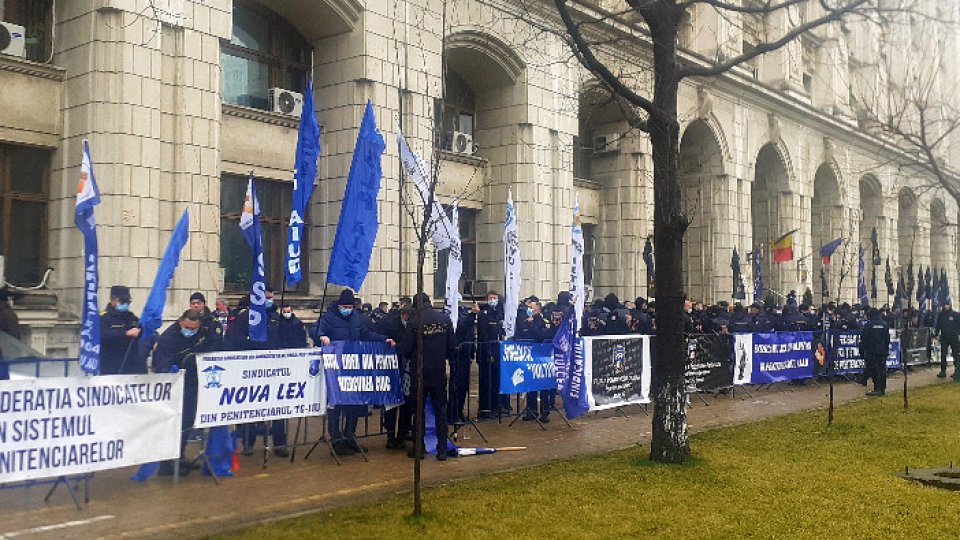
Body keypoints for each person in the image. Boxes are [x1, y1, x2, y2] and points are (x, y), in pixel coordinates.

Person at [311, 289, 395, 456]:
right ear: (339, 305)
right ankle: (336, 439)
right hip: (335, 369)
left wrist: (383, 339)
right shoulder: (329, 317)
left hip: (353, 368)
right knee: (336, 405)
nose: (347, 309)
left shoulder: (356, 317)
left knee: (354, 404)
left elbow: (366, 333)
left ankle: (350, 436)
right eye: (345, 306)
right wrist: (321, 336)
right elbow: (315, 329)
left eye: (350, 306)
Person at [152, 310, 210, 475]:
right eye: (187, 328)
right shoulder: (168, 339)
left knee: (187, 422)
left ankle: (180, 456)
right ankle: (167, 464)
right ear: (180, 322)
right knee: (172, 424)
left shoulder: (199, 334)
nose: (190, 331)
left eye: (194, 329)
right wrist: (171, 370)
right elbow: (160, 366)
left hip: (191, 383)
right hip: (172, 387)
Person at [401, 293, 455, 461]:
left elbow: (406, 349)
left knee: (419, 410)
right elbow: (451, 347)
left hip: (419, 372)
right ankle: (442, 450)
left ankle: (419, 448)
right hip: (438, 371)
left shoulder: (413, 322)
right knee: (441, 410)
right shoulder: (445, 320)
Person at [99, 285, 146, 374]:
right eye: (122, 301)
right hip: (110, 364)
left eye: (128, 302)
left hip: (130, 364)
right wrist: (125, 333)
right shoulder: (103, 317)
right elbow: (103, 335)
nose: (126, 304)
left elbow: (141, 330)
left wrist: (140, 331)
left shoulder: (131, 317)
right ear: (113, 300)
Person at [476, 291, 508, 417]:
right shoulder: (483, 314)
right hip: (487, 352)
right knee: (485, 381)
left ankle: (496, 406)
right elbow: (483, 335)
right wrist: (488, 352)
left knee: (496, 381)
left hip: (498, 351)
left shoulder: (500, 314)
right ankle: (485, 408)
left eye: (495, 298)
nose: (492, 300)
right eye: (490, 298)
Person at [859, 308, 890, 396]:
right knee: (882, 370)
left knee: (874, 370)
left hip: (871, 351)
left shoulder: (868, 325)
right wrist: (886, 349)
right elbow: (887, 339)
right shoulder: (884, 324)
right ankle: (882, 389)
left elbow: (863, 339)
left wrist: (862, 351)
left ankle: (877, 388)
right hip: (882, 351)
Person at [935, 302, 960, 379]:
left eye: (947, 305)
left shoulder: (955, 314)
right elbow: (938, 325)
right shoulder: (941, 315)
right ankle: (943, 371)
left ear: (950, 305)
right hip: (944, 337)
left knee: (956, 354)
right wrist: (935, 335)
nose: (945, 306)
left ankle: (957, 371)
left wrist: (958, 334)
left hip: (954, 337)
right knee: (943, 355)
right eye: (944, 305)